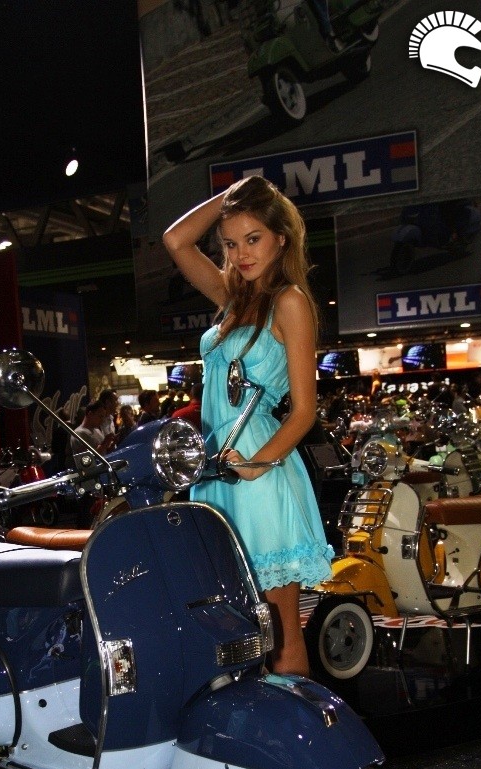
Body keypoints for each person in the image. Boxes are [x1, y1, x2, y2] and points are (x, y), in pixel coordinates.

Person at [163, 175, 333, 675]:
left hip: (259, 472)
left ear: (281, 237)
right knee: (236, 625)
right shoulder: (231, 298)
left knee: (280, 627)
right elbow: (176, 240)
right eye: (231, 243)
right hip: (217, 470)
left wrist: (258, 465)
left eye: (253, 239)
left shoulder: (289, 302)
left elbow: (304, 410)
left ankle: (295, 721)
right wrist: (230, 198)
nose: (241, 254)